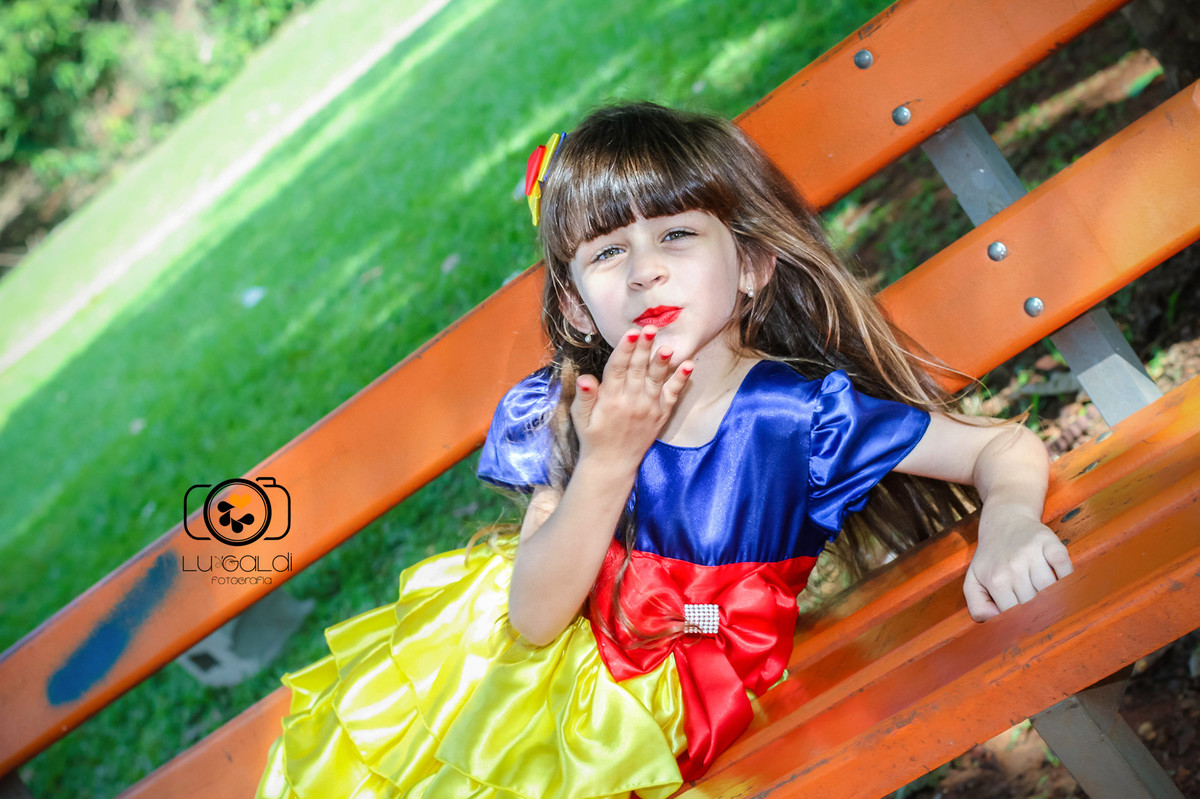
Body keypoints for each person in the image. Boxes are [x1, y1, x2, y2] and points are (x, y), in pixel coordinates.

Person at [255, 102, 1073, 799]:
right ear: (577, 307)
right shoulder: (573, 411)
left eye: (677, 235)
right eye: (609, 253)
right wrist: (608, 457)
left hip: (651, 710)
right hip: (518, 676)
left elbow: (999, 447)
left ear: (750, 265)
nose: (646, 272)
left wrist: (1006, 523)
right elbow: (536, 614)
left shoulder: (795, 419)